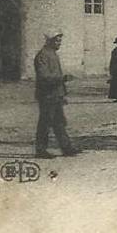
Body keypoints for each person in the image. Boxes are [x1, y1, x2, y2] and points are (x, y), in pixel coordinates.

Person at [34, 30, 80, 158]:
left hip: (55, 95)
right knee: (45, 122)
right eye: (57, 40)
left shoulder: (53, 54)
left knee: (59, 122)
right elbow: (44, 77)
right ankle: (40, 150)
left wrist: (62, 93)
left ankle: (67, 148)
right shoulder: (42, 56)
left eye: (60, 40)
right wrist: (62, 78)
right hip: (47, 95)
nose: (59, 43)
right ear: (49, 41)